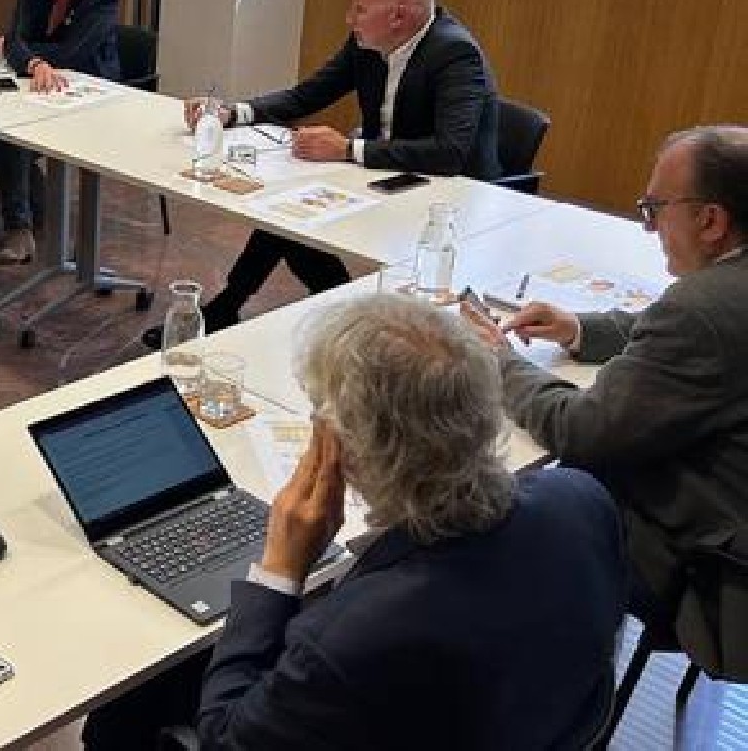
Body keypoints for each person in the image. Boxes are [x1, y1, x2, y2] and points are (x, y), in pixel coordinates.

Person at [84, 293, 624, 749]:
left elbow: (226, 738)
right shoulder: (582, 498)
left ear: (346, 447)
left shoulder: (348, 639)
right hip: (523, 717)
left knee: (120, 714)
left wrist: (278, 573)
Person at [462, 125, 748, 675]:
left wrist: (500, 362)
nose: (648, 227)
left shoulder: (702, 310)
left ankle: (532, 687)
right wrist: (578, 329)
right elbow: (677, 330)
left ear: (711, 221)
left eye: (655, 209)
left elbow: (580, 431)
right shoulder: (723, 295)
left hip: (714, 569)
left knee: (509, 503)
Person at [150, 0, 499, 342]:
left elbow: (450, 153)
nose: (350, 19)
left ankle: (246, 308)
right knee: (287, 215)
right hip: (386, 176)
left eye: (360, 9)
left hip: (448, 199)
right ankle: (329, 312)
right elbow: (308, 95)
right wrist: (234, 113)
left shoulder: (455, 54)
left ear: (398, 17)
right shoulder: (368, 42)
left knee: (294, 221)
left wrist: (348, 150)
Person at [0, 0, 122, 265]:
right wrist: (33, 63)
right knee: (1, 132)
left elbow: (73, 54)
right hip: (39, 85)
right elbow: (15, 37)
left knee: (18, 138)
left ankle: (41, 207)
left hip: (92, 93)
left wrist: (23, 53)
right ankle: (19, 228)